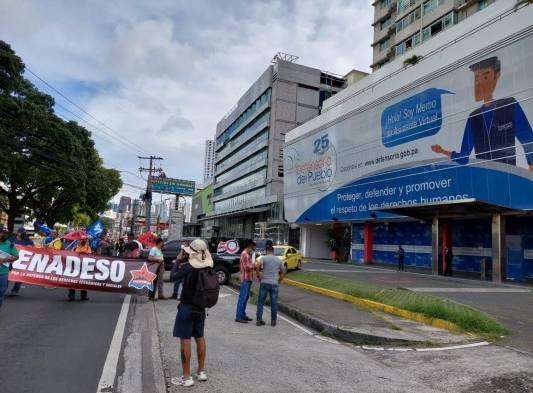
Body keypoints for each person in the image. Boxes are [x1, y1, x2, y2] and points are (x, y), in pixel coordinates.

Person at [431, 56, 533, 170]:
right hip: (483, 180)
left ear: (497, 76)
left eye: (485, 77)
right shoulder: (473, 118)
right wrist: (442, 151)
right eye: (477, 79)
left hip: (508, 177)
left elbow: (528, 139)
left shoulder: (510, 105)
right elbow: (464, 157)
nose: (481, 83)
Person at [170, 239, 213, 387]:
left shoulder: (188, 267)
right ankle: (201, 371)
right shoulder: (208, 266)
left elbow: (173, 276)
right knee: (200, 337)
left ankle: (186, 377)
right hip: (201, 307)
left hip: (187, 307)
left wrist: (177, 261)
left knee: (185, 339)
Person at [255, 243, 284, 327]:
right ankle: (273, 321)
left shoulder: (264, 258)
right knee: (274, 303)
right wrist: (279, 280)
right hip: (274, 283)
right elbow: (283, 271)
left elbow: (257, 266)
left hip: (264, 282)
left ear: (267, 251)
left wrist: (258, 276)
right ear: (273, 251)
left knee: (260, 302)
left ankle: (259, 320)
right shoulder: (279, 260)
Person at [8, 227, 34, 296]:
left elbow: (33, 248)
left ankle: (15, 290)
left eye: (24, 233)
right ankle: (4, 287)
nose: (23, 234)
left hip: (21, 261)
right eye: (21, 232)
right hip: (11, 259)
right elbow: (7, 245)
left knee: (19, 276)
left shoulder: (27, 240)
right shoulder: (12, 239)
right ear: (18, 233)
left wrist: (30, 246)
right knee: (7, 274)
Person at [235, 240, 256, 323]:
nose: (253, 251)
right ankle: (239, 316)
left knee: (245, 297)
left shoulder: (247, 254)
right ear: (250, 247)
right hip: (245, 279)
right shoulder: (245, 255)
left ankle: (242, 314)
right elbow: (248, 267)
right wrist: (255, 266)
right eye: (253, 249)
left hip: (248, 279)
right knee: (242, 298)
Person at [0, 226, 19, 310]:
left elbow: (16, 256)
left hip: (3, 274)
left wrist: (4, 260)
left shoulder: (10, 245)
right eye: (1, 233)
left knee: (1, 293)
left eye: (4, 233)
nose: (2, 235)